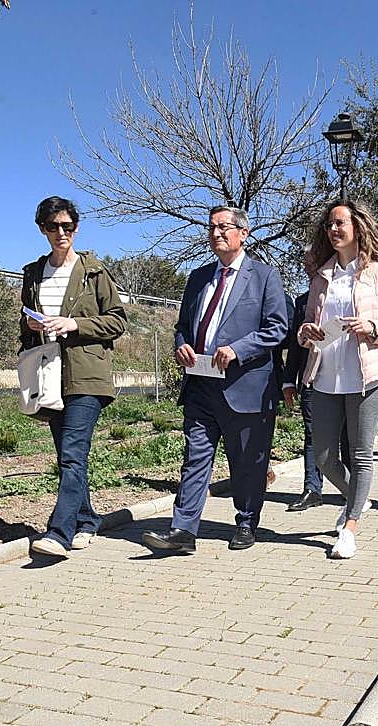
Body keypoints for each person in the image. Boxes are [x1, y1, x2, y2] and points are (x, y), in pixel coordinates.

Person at [143, 206, 287, 553]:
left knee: (247, 462)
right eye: (211, 228)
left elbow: (277, 328)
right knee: (195, 458)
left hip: (246, 386)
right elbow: (182, 327)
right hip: (200, 385)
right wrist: (181, 347)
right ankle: (183, 531)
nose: (216, 233)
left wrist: (238, 349)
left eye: (224, 227)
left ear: (244, 233)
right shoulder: (198, 277)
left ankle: (246, 522)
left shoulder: (265, 276)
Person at [297, 200, 378, 559]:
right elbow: (306, 325)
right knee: (325, 457)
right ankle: (358, 498)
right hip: (326, 375)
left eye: (340, 222)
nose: (333, 229)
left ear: (358, 227)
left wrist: (372, 326)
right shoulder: (321, 277)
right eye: (329, 224)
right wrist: (306, 332)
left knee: (361, 455)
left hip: (367, 375)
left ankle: (350, 526)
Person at [20, 197, 126, 558]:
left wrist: (75, 324)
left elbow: (117, 321)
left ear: (76, 228)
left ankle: (58, 533)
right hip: (49, 374)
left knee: (72, 453)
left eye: (67, 226)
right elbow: (24, 326)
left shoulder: (94, 271)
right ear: (42, 229)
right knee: (67, 455)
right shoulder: (33, 273)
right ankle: (86, 520)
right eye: (52, 227)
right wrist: (32, 325)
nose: (60, 233)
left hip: (87, 375)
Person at [282, 257, 351, 512]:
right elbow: (294, 346)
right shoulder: (302, 303)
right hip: (313, 378)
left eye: (314, 263)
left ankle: (351, 490)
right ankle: (312, 488)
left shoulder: (351, 294)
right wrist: (290, 380)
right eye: (307, 265)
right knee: (313, 435)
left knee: (349, 438)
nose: (310, 268)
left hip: (349, 378)